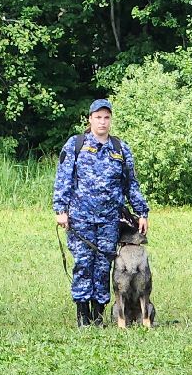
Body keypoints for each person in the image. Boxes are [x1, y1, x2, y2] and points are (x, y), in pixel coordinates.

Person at [54, 98, 150, 326]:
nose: (102, 122)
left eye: (106, 117)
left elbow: (131, 184)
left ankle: (98, 314)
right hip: (80, 219)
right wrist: (60, 209)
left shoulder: (120, 148)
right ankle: (82, 314)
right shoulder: (76, 145)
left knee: (103, 265)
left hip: (110, 219)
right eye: (98, 117)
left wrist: (142, 212)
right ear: (90, 119)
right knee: (83, 263)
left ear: (110, 120)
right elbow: (63, 179)